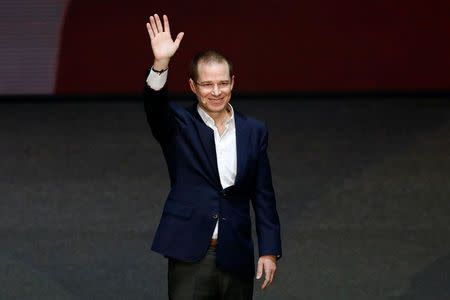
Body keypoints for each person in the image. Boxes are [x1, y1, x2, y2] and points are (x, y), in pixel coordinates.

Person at [144, 14, 282, 299]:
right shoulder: (178, 126)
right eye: (207, 84)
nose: (216, 92)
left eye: (222, 83)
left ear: (233, 82)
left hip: (236, 253)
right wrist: (161, 64)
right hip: (191, 252)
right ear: (193, 87)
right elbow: (154, 107)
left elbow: (263, 195)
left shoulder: (254, 131)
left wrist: (269, 249)